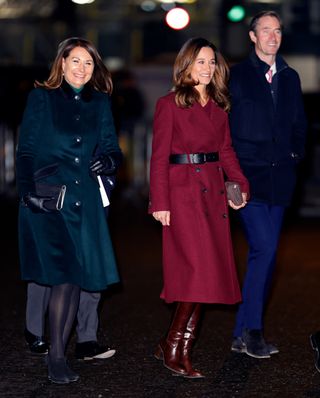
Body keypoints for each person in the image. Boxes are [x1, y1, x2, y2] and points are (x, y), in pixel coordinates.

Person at [16, 37, 122, 384]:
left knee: (75, 280)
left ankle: (61, 350)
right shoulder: (41, 98)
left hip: (85, 204)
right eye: (75, 61)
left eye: (88, 63)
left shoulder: (100, 103)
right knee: (63, 276)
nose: (81, 68)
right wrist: (28, 193)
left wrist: (107, 159)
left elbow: (111, 148)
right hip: (49, 201)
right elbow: (26, 151)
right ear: (61, 64)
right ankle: (57, 357)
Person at [148, 37, 249, 378]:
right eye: (201, 61)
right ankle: (176, 349)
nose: (207, 68)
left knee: (205, 274)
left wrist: (240, 185)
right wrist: (159, 202)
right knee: (195, 272)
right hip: (182, 195)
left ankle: (174, 346)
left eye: (212, 62)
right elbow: (158, 157)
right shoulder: (169, 104)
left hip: (213, 195)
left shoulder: (219, 108)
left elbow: (227, 152)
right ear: (186, 65)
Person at [228, 11, 307, 359]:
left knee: (265, 254)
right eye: (265, 30)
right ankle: (254, 332)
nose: (272, 37)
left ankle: (240, 333)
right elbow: (224, 129)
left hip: (281, 178)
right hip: (248, 178)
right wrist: (231, 174)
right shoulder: (237, 76)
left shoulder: (290, 77)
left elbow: (299, 124)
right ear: (252, 36)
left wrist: (294, 154)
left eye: (277, 31)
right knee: (265, 249)